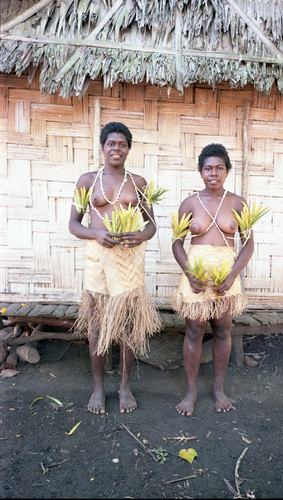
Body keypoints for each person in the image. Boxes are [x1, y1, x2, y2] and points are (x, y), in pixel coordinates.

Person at [69, 121, 162, 415]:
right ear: (103, 147)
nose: (116, 149)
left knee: (127, 326)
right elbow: (73, 224)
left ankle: (124, 386)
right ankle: (98, 388)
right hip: (97, 259)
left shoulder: (139, 183)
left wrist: (140, 236)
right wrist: (96, 233)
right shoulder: (87, 181)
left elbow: (151, 226)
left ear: (128, 149)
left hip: (127, 260)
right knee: (96, 325)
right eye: (111, 144)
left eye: (122, 144)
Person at [172, 143, 254, 417]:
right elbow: (177, 244)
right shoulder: (189, 203)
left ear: (227, 171)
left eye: (219, 168)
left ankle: (218, 388)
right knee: (194, 331)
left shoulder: (238, 203)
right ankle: (191, 391)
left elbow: (249, 244)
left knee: (222, 331)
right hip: (196, 276)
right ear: (200, 172)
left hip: (226, 279)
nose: (214, 173)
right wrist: (189, 273)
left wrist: (232, 276)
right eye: (208, 168)